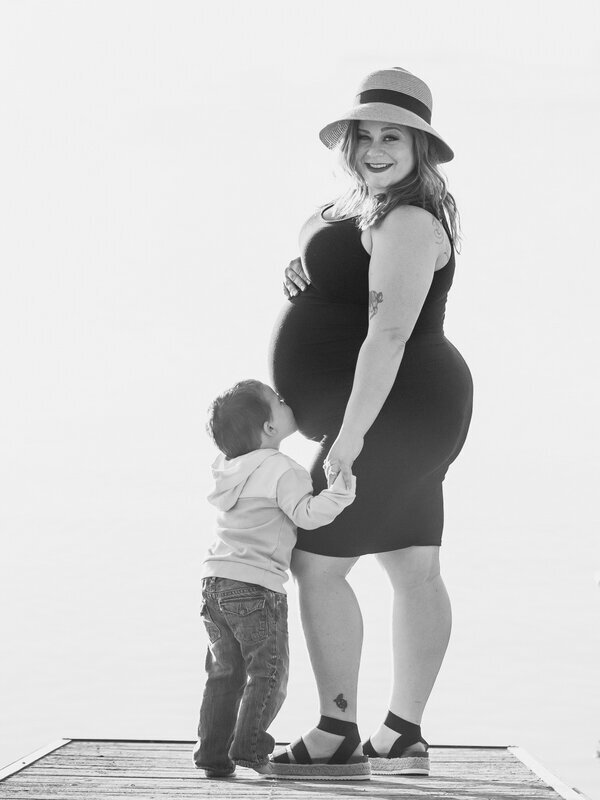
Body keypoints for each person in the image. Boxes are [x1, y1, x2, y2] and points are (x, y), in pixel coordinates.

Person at [266, 68, 473, 780]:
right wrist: (302, 273)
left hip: (398, 406)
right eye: (367, 135)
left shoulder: (410, 221)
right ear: (348, 142)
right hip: (403, 408)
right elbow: (329, 277)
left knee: (316, 564)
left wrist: (345, 443)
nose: (377, 147)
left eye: (395, 136)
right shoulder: (353, 210)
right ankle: (400, 733)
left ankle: (335, 728)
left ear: (420, 148)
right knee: (412, 563)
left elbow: (386, 337)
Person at [193, 379, 355, 778]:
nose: (287, 401)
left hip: (214, 583)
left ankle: (212, 756)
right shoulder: (282, 469)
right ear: (269, 428)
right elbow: (306, 514)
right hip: (255, 587)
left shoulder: (229, 470)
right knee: (268, 671)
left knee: (224, 673)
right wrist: (340, 492)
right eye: (279, 401)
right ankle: (249, 749)